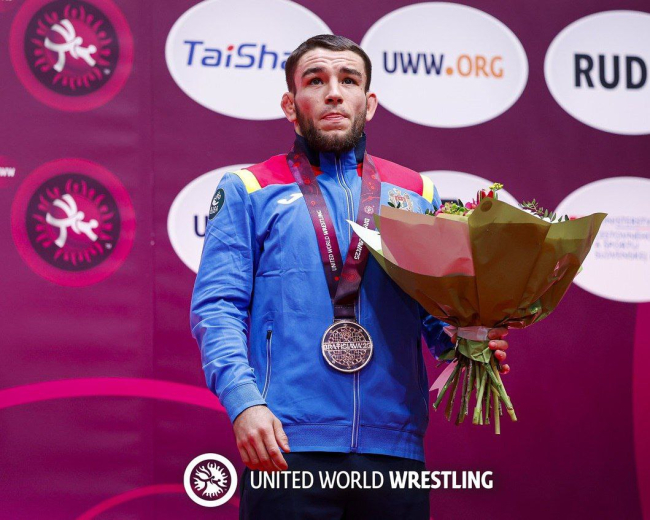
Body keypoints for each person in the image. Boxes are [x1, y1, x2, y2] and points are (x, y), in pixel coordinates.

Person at [190, 34, 510, 519]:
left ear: (369, 102)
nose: (334, 93)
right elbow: (218, 309)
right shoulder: (249, 189)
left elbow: (431, 312)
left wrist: (467, 337)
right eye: (316, 81)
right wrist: (243, 402)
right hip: (285, 443)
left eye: (349, 80)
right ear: (290, 104)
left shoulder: (416, 193)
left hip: (394, 447)